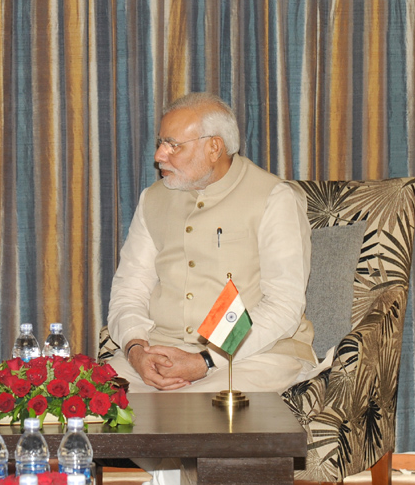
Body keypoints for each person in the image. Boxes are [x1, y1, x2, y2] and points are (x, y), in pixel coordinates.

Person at [106, 92, 316, 484]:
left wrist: (204, 360)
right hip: (160, 352)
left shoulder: (274, 198)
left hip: (252, 355)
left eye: (173, 145)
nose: (160, 156)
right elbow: (128, 290)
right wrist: (136, 350)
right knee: (83, 402)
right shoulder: (153, 199)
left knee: (190, 414)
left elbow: (284, 305)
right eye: (160, 143)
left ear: (214, 147)